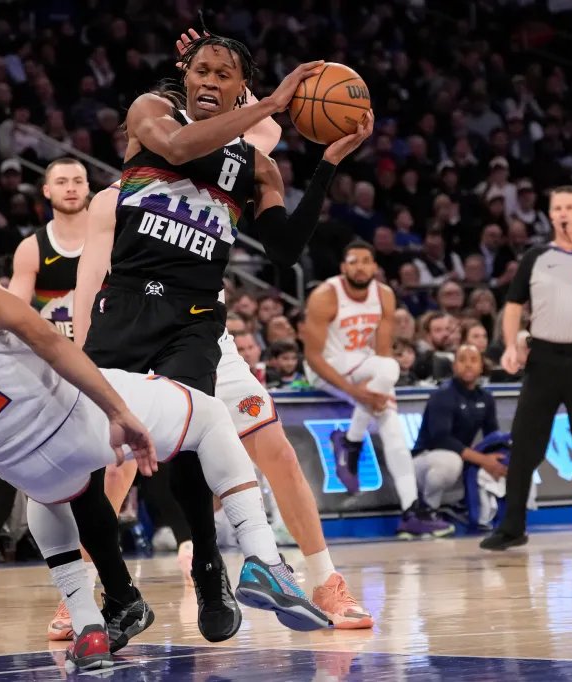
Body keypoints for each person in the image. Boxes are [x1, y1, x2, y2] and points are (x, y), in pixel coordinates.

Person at [0, 203, 330, 672]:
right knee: (210, 417)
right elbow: (48, 339)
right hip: (76, 418)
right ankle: (264, 559)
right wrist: (117, 409)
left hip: (25, 468)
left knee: (46, 499)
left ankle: (88, 625)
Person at [73, 31, 374, 636]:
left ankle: (214, 571)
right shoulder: (151, 114)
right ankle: (117, 592)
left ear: (242, 88)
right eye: (201, 71)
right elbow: (179, 147)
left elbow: (284, 249)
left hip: (194, 318)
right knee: (83, 460)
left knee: (192, 440)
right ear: (185, 77)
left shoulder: (257, 167)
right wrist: (273, 104)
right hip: (126, 306)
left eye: (223, 74)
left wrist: (328, 164)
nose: (209, 81)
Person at [0, 157, 90, 594]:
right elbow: (13, 312)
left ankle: (187, 545)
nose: (71, 187)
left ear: (88, 189)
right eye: (62, 181)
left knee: (134, 450)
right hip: (51, 365)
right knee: (19, 454)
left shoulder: (108, 239)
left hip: (101, 359)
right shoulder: (33, 247)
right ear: (46, 192)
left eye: (78, 180)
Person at [482, 186, 572, 551]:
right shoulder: (536, 257)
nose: (563, 213)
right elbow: (513, 305)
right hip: (543, 361)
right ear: (551, 215)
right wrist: (511, 345)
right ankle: (512, 527)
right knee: (525, 445)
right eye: (557, 208)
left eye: (570, 207)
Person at [302, 241, 454, 538]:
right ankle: (351, 443)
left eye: (366, 261)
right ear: (343, 267)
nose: (360, 267)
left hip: (366, 367)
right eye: (353, 262)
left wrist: (375, 390)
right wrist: (356, 391)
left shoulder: (384, 294)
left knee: (392, 424)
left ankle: (409, 509)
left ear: (375, 266)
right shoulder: (325, 295)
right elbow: (313, 356)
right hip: (327, 368)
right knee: (388, 372)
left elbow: (383, 352)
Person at [411, 345, 504, 519]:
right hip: (425, 460)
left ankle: (479, 513)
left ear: (481, 367)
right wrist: (483, 459)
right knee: (450, 462)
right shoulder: (442, 395)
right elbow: (442, 439)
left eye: (473, 360)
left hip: (459, 459)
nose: (468, 365)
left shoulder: (486, 398)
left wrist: (500, 458)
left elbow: (492, 436)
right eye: (462, 360)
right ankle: (427, 510)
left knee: (502, 461)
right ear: (454, 367)